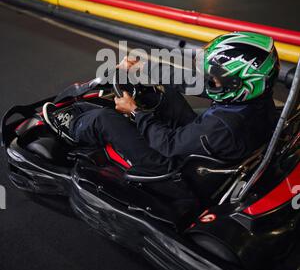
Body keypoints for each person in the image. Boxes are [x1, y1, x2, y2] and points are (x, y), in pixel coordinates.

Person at [43, 32, 279, 175]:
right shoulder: (254, 99)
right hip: (212, 147)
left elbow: (168, 145)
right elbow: (193, 82)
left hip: (174, 169)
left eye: (214, 77)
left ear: (242, 84)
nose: (209, 80)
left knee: (105, 120)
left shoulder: (222, 125)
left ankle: (71, 128)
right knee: (165, 95)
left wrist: (135, 112)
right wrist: (144, 69)